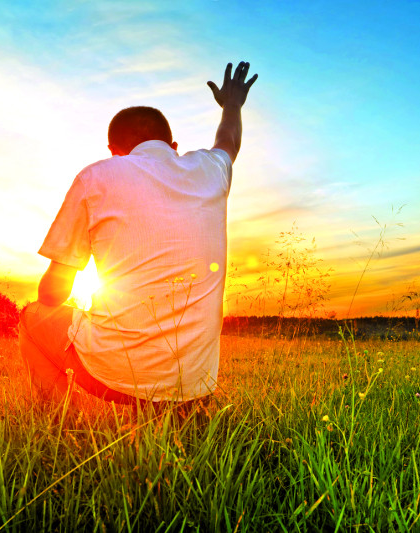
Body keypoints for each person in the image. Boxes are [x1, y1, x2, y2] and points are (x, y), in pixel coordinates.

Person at [19, 61, 258, 407]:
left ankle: (56, 424)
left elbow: (53, 294)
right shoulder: (209, 169)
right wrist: (232, 105)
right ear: (173, 146)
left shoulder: (95, 177)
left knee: (33, 316)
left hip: (115, 379)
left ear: (114, 152)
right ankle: (178, 410)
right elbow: (229, 141)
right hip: (196, 384)